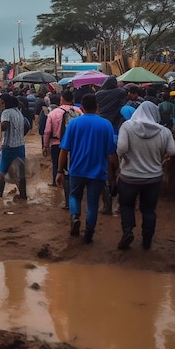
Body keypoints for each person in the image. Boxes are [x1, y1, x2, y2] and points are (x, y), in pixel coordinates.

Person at [56, 94, 118, 244]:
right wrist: (116, 170)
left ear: (82, 108)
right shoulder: (106, 125)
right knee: (92, 204)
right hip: (98, 172)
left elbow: (64, 149)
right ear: (97, 107)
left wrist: (59, 171)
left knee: (74, 196)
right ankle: (89, 233)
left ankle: (75, 216)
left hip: (77, 169)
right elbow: (112, 153)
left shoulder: (74, 124)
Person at [116, 102, 175, 250]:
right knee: (148, 210)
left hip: (129, 176)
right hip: (153, 178)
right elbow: (172, 151)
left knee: (127, 205)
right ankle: (147, 240)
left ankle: (128, 231)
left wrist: (126, 158)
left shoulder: (127, 127)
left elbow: (121, 148)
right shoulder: (165, 131)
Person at [0, 94, 29, 199]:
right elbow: (27, 126)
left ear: (5, 102)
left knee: (1, 171)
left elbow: (5, 125)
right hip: (20, 146)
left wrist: (1, 126)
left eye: (1, 102)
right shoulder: (18, 112)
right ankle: (23, 195)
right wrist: (21, 135)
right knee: (21, 173)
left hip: (8, 147)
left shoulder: (6, 112)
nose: (0, 104)